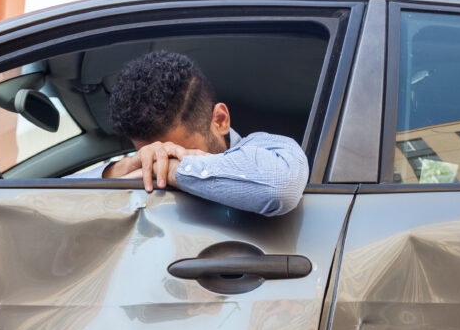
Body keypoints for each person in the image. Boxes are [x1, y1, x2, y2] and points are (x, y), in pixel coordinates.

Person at [84, 50, 308, 216]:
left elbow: (281, 186)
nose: (158, 160)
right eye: (152, 157)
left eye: (174, 153)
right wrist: (123, 168)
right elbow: (52, 200)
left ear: (220, 120)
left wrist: (172, 169)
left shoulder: (265, 149)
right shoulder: (138, 167)